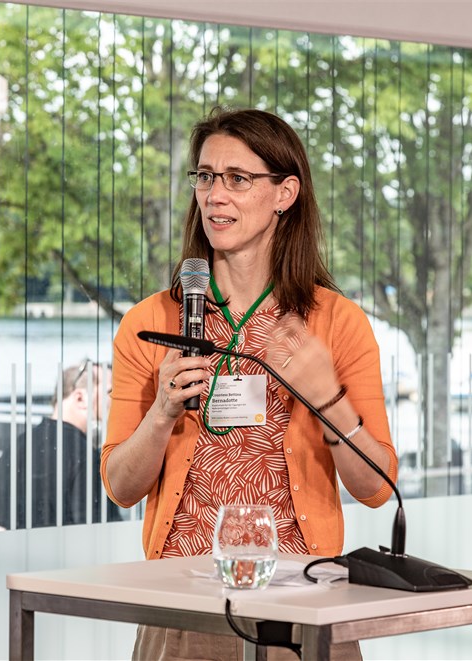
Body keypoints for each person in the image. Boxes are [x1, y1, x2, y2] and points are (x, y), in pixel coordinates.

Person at [101, 108, 399, 661]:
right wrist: (162, 412)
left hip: (303, 601)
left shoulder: (336, 322)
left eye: (238, 179)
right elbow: (120, 486)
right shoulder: (153, 322)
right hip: (181, 601)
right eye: (205, 176)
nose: (215, 195)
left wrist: (327, 397)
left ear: (285, 193)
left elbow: (377, 488)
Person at [0, 359, 121, 530]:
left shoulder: (15, 449)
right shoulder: (86, 457)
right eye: (110, 391)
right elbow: (99, 535)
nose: (116, 399)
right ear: (80, 398)